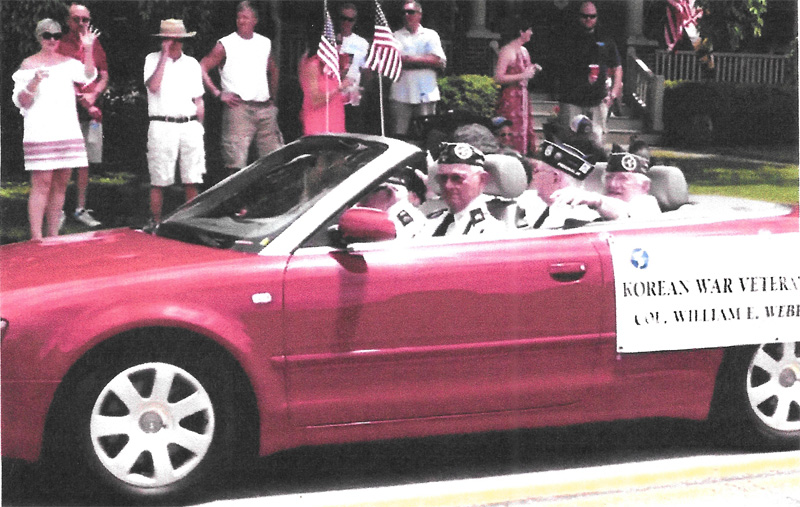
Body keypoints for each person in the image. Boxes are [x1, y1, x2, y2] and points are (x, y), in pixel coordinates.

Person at [12, 19, 98, 241]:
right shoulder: (28, 65)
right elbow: (22, 101)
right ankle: (36, 236)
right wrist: (33, 83)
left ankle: (52, 236)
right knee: (42, 184)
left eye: (56, 36)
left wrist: (88, 48)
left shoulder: (68, 63)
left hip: (66, 131)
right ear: (39, 37)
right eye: (47, 35)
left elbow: (89, 75)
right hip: (40, 131)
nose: (51, 40)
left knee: (60, 184)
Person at [200, 1, 283, 178]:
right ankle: (238, 205)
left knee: (275, 160)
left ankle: (271, 201)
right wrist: (218, 93)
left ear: (255, 20)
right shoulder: (225, 44)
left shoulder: (264, 43)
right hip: (239, 108)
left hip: (264, 108)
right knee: (235, 163)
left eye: (245, 17)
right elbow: (202, 66)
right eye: (238, 17)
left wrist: (273, 99)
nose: (241, 21)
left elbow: (273, 70)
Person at [144, 19, 206, 224]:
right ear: (163, 40)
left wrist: (200, 127)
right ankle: (156, 222)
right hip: (162, 124)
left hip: (189, 124)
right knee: (159, 179)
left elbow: (198, 99)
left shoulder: (192, 63)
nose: (176, 43)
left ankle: (190, 223)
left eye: (179, 39)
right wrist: (164, 56)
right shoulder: (152, 59)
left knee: (192, 178)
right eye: (171, 39)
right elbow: (153, 87)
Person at [57, 3, 107, 227]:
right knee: (63, 161)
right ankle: (56, 210)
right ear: (68, 21)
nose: (81, 24)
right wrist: (85, 103)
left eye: (85, 19)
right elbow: (61, 79)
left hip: (92, 108)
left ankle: (80, 209)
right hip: (69, 109)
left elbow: (103, 74)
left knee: (85, 162)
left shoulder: (94, 43)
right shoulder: (59, 44)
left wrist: (94, 96)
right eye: (76, 19)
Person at [555, 1, 622, 136]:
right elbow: (558, 66)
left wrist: (613, 94)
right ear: (579, 17)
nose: (588, 19)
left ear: (597, 17)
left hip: (598, 100)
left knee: (596, 141)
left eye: (592, 16)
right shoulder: (568, 38)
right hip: (572, 99)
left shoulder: (605, 39)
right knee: (570, 140)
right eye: (585, 16)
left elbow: (617, 67)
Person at [422, 143, 506, 237]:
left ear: (482, 180)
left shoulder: (491, 231)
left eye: (457, 178)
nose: (447, 185)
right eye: (443, 178)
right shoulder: (430, 223)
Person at [550, 150, 661, 220]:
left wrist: (596, 200)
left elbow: (624, 213)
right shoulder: (597, 206)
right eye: (609, 177)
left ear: (643, 187)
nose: (613, 184)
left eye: (623, 179)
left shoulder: (647, 206)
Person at [390, 1, 447, 137]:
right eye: (404, 12)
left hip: (426, 92)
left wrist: (408, 59)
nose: (406, 15)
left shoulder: (430, 35)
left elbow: (437, 60)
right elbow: (394, 60)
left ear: (419, 15)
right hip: (401, 92)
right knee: (399, 135)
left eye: (410, 12)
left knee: (426, 133)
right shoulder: (394, 36)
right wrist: (424, 59)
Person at [520, 140, 600, 229]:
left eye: (537, 171)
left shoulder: (578, 216)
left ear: (555, 178)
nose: (533, 177)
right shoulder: (534, 205)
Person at [493, 17, 541, 157]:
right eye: (529, 30)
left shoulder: (524, 51)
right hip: (511, 98)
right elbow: (498, 77)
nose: (531, 33)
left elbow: (525, 73)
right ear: (521, 32)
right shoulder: (507, 51)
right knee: (511, 130)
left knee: (525, 130)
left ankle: (524, 157)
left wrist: (533, 69)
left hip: (523, 98)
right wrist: (522, 75)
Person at [298, 18, 351, 135]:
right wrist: (338, 88)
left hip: (336, 124)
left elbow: (336, 94)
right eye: (335, 41)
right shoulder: (312, 64)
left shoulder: (333, 65)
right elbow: (315, 99)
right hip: (318, 125)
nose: (337, 44)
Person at [337, 2, 370, 133]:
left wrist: (364, 91)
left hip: (352, 99)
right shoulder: (328, 40)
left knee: (353, 137)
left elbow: (366, 71)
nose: (346, 22)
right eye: (343, 18)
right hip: (332, 97)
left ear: (354, 21)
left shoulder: (361, 43)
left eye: (350, 19)